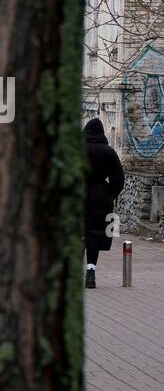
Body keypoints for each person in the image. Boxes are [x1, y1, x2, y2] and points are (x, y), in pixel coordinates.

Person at [83, 117, 125, 289]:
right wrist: (110, 193)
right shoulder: (108, 151)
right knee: (95, 236)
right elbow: (118, 177)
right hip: (101, 196)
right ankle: (91, 272)